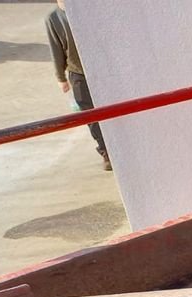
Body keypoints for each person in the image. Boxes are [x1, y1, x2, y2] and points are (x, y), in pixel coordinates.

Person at [45, 0, 110, 170]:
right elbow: (56, 49)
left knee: (110, 110)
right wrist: (60, 77)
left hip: (102, 70)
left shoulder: (87, 11)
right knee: (91, 116)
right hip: (78, 73)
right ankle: (106, 152)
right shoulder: (54, 19)